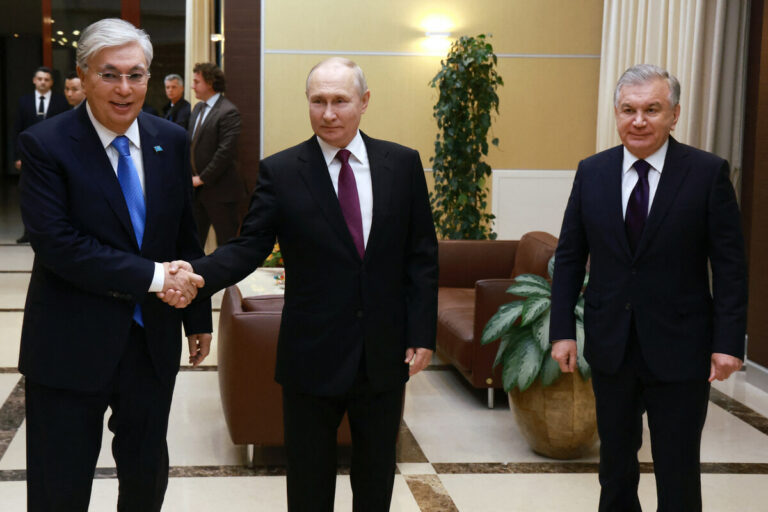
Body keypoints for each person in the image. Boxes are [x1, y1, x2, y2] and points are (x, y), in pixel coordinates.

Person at [163, 57, 438, 511]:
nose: (328, 113)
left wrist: (421, 332)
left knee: (376, 478)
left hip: (383, 352)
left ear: (364, 102)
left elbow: (421, 256)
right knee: (309, 484)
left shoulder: (402, 164)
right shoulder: (282, 171)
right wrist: (198, 275)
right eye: (318, 101)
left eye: (340, 101)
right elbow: (248, 246)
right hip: (311, 353)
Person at [17, 18, 212, 511]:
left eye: (136, 74)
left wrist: (196, 316)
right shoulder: (46, 144)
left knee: (146, 478)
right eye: (109, 74)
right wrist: (156, 277)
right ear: (83, 76)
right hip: (69, 344)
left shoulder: (170, 139)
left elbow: (184, 234)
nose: (124, 88)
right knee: (59, 487)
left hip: (150, 342)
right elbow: (58, 244)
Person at [549, 64, 747, 512]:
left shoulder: (706, 173)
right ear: (617, 114)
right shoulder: (592, 172)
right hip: (612, 347)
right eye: (629, 110)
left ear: (674, 115)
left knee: (677, 470)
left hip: (681, 348)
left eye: (652, 110)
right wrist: (562, 331)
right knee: (615, 468)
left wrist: (728, 342)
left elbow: (730, 267)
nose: (638, 121)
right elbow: (570, 256)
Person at [188, 62, 245, 247]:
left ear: (210, 82)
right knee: (193, 244)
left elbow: (225, 152)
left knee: (226, 245)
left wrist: (202, 178)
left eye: (197, 81)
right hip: (197, 192)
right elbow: (191, 145)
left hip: (221, 192)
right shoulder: (197, 108)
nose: (192, 86)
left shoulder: (228, 111)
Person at [13, 66, 69, 243]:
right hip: (29, 155)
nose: (43, 82)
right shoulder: (24, 101)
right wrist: (18, 156)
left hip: (54, 154)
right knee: (28, 194)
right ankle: (28, 232)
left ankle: (52, 231)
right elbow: (17, 130)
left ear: (51, 82)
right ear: (34, 80)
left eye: (46, 79)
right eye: (40, 79)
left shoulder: (61, 101)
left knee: (53, 194)